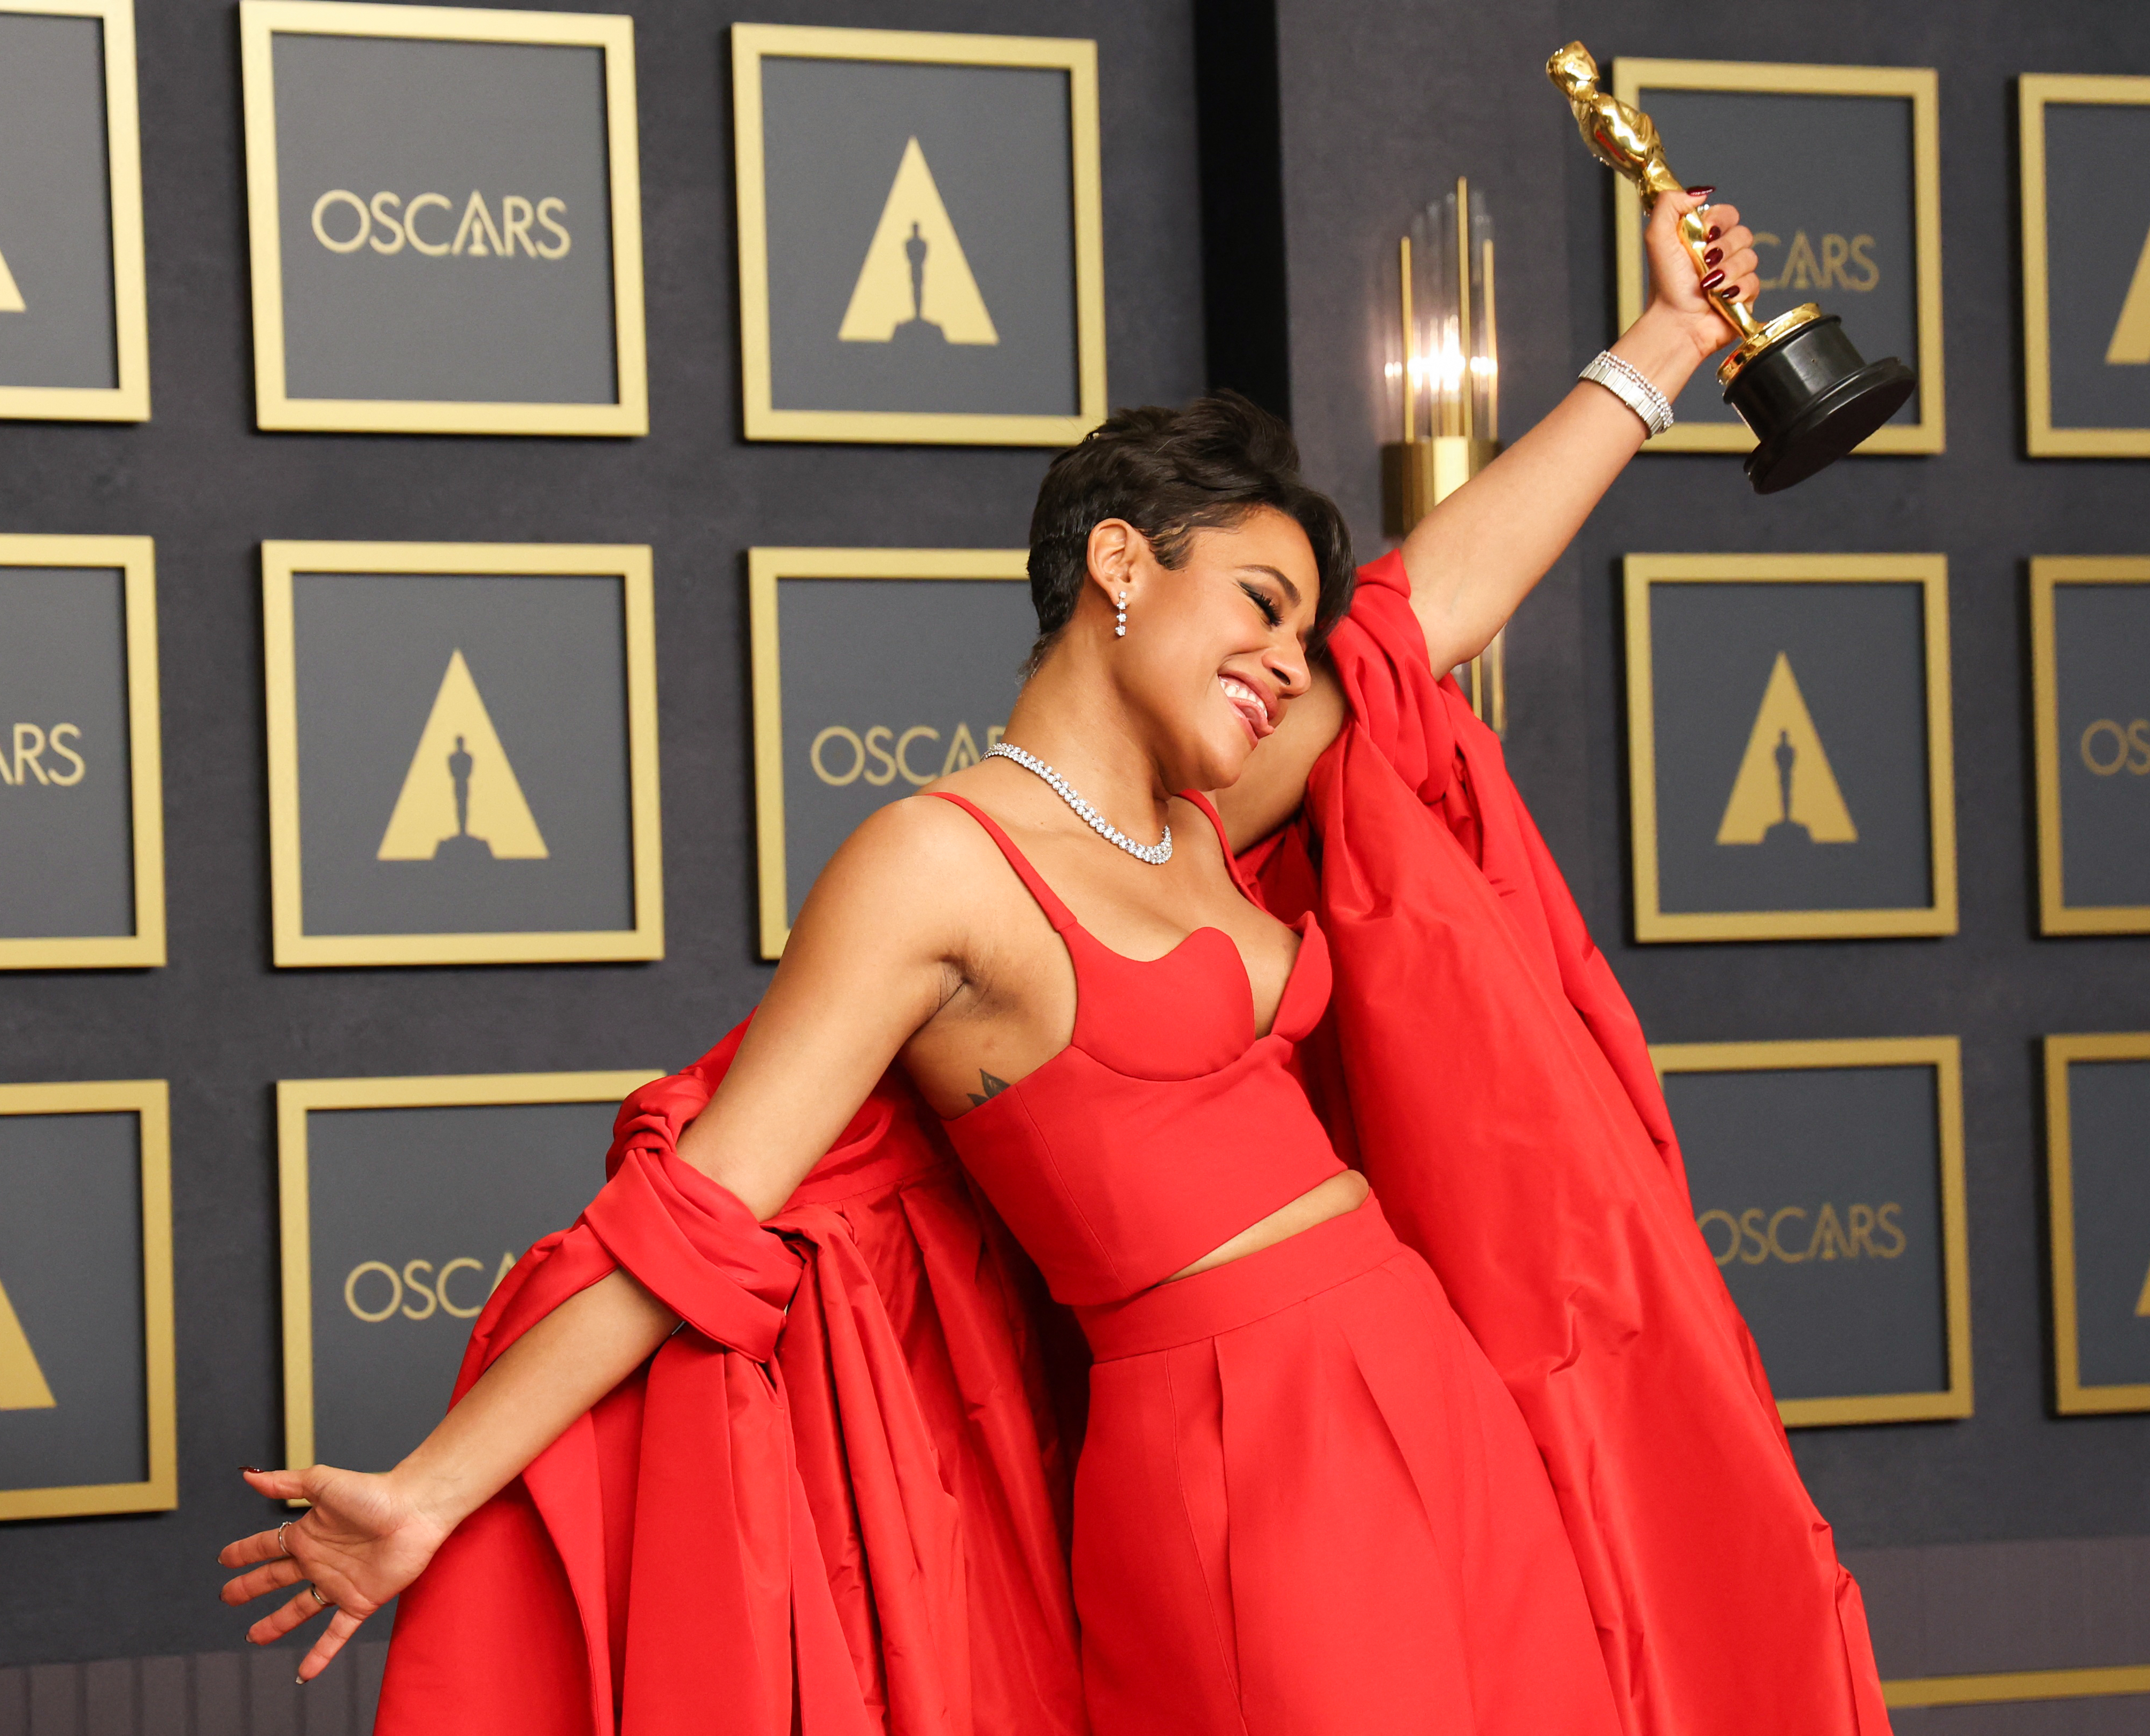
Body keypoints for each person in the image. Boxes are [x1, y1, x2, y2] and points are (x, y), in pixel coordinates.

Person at [220, 191, 1891, 1735]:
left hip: (1428, 1378)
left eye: (1291, 631)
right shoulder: (935, 861)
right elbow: (700, 1219)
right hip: (1229, 1459)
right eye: (1249, 600)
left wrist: (1665, 344)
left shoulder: (1206, 809)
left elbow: (1418, 617)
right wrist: (433, 1490)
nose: (1277, 660)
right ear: (1116, 562)